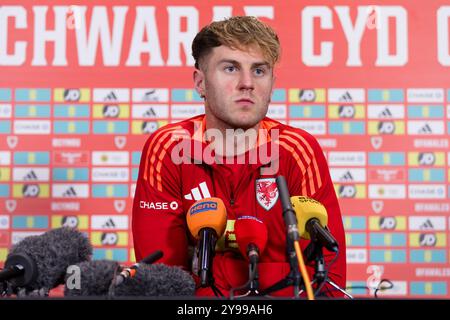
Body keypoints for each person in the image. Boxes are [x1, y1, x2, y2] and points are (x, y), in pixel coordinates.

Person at [132, 16, 346, 298]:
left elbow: (326, 282)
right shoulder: (168, 149)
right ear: (200, 82)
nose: (247, 83)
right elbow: (160, 282)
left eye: (259, 71)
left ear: (271, 83)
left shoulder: (298, 150)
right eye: (230, 68)